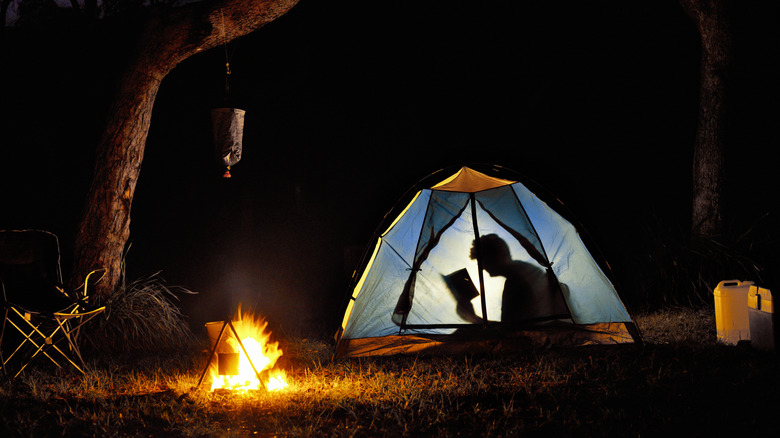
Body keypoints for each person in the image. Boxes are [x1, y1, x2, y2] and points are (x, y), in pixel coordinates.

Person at [470, 234, 568, 327]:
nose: (481, 267)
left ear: (496, 256)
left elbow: (510, 331)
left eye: (482, 261)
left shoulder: (516, 281)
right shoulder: (524, 271)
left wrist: (473, 318)